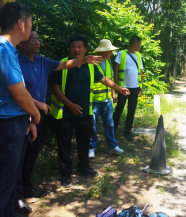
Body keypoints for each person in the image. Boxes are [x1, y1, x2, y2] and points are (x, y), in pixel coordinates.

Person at [14, 31, 103, 214]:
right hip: (19, 116)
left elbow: (65, 65)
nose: (37, 42)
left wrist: (85, 61)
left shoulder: (42, 62)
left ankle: (26, 188)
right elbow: (17, 90)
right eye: (33, 40)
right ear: (21, 43)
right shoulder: (14, 61)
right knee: (18, 157)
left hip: (37, 116)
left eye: (39, 39)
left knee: (31, 153)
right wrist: (38, 103)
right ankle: (16, 197)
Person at [0, 2, 40, 217]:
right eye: (30, 21)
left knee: (8, 184)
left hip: (13, 125)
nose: (31, 26)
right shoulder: (2, 51)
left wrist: (28, 120)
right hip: (8, 127)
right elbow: (21, 95)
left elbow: (17, 94)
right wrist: (36, 115)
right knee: (0, 187)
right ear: (20, 23)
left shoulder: (6, 50)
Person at [50, 35, 129, 188]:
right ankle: (66, 174)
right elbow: (55, 89)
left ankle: (83, 167)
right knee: (64, 144)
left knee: (84, 142)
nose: (76, 49)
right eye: (73, 46)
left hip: (85, 112)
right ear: (69, 48)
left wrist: (118, 88)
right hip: (65, 113)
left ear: (85, 49)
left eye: (80, 46)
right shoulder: (62, 65)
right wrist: (70, 104)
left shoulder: (91, 65)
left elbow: (104, 79)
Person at [89, 39, 124, 158]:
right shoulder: (93, 62)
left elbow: (110, 79)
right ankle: (91, 147)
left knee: (109, 124)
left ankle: (112, 146)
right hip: (94, 100)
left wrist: (113, 93)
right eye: (110, 50)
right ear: (105, 51)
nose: (112, 52)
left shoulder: (108, 62)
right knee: (92, 125)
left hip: (106, 99)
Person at [113, 36, 144, 141]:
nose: (140, 46)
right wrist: (117, 85)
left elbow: (140, 72)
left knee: (132, 110)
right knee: (119, 109)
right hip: (123, 87)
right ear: (135, 43)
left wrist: (141, 86)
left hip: (135, 87)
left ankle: (127, 132)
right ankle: (112, 130)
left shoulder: (139, 56)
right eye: (139, 44)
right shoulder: (122, 54)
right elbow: (115, 69)